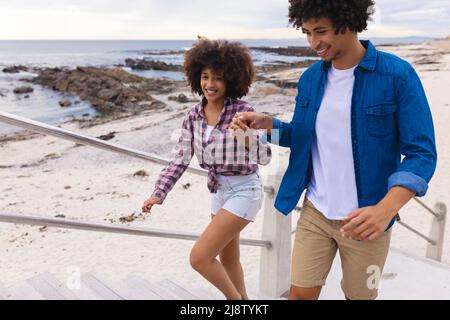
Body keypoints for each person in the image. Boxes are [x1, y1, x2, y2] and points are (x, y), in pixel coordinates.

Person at [230, 0, 437, 300]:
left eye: (321, 31)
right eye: (307, 33)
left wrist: (385, 209)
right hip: (315, 212)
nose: (314, 43)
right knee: (298, 296)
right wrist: (269, 126)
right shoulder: (310, 79)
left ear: (349, 21)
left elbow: (421, 153)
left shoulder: (398, 75)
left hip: (368, 220)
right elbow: (302, 137)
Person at [141, 39, 271, 300]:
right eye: (205, 76)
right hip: (218, 191)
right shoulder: (192, 116)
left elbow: (266, 157)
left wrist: (247, 139)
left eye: (218, 78)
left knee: (200, 258)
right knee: (229, 258)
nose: (210, 84)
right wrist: (159, 192)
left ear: (231, 79)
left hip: (245, 189)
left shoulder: (243, 111)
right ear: (195, 77)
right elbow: (180, 158)